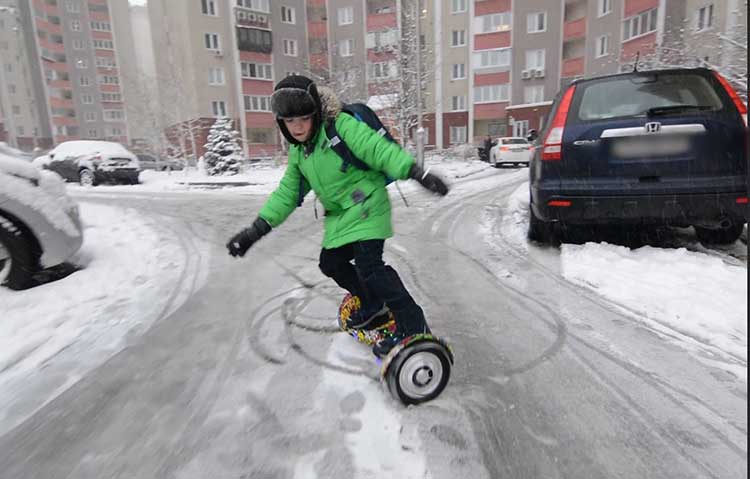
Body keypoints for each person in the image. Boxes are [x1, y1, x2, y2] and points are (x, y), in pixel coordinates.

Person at [226, 75, 449, 357]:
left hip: (367, 206)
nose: (297, 127)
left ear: (316, 113)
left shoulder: (341, 126)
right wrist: (254, 231)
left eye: (303, 119)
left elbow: (378, 149)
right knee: (330, 263)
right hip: (341, 216)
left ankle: (413, 325)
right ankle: (373, 305)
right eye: (289, 121)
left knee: (370, 267)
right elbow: (286, 194)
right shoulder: (300, 153)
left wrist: (417, 173)